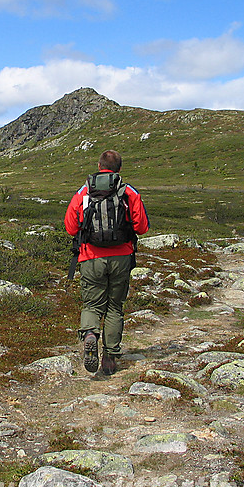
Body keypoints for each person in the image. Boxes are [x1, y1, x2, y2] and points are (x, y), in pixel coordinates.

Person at [64, 150, 149, 375]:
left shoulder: (83, 191)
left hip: (91, 256)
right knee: (115, 307)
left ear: (98, 165)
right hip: (121, 257)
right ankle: (110, 358)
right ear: (119, 169)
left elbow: (71, 227)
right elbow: (142, 227)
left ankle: (90, 334)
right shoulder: (129, 192)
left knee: (92, 304)